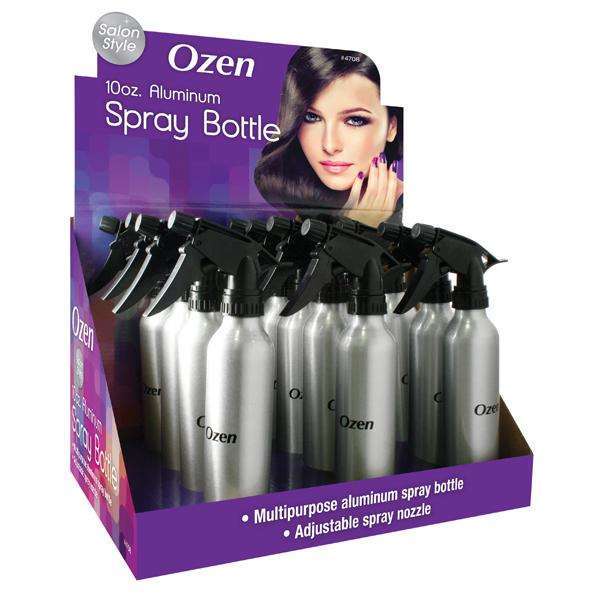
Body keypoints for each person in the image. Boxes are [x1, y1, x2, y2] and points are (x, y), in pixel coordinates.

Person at [254, 47, 403, 227]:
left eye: (355, 120)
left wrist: (359, 230)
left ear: (391, 128)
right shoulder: (308, 201)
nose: (330, 145)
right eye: (312, 117)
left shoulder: (415, 210)